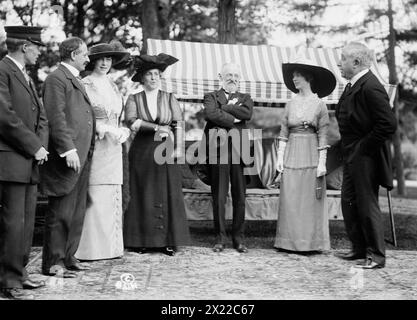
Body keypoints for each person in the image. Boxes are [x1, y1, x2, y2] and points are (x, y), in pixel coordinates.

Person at [335, 42, 397, 269]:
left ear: (356, 62)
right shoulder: (353, 84)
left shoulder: (371, 86)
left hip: (365, 156)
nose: (339, 63)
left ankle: (376, 256)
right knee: (349, 203)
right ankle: (359, 249)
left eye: (342, 59)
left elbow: (388, 124)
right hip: (352, 155)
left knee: (366, 204)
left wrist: (363, 148)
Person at [123, 53, 190, 256]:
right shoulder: (134, 98)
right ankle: (142, 240)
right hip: (142, 151)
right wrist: (156, 129)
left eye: (156, 74)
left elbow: (178, 123)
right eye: (149, 74)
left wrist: (179, 148)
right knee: (143, 192)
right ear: (142, 78)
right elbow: (131, 121)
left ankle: (168, 241)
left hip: (166, 150)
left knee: (167, 192)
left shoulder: (169, 98)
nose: (153, 78)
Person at [0, 26, 49, 299]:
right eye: (37, 47)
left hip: (28, 159)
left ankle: (19, 273)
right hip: (11, 159)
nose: (39, 52)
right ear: (25, 46)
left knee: (26, 221)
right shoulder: (3, 70)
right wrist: (34, 146)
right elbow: (4, 117)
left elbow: (40, 116)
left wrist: (39, 147)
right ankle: (9, 281)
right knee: (13, 223)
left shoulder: (25, 75)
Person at [40, 37, 95, 277]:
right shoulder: (56, 78)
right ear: (73, 54)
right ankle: (54, 262)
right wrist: (68, 149)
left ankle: (69, 257)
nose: (88, 59)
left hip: (82, 155)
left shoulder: (73, 79)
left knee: (76, 211)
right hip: (69, 156)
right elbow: (55, 117)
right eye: (84, 54)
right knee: (61, 210)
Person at [74, 42, 130, 261]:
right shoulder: (85, 84)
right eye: (101, 59)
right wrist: (103, 127)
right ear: (93, 61)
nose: (106, 63)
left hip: (114, 147)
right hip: (94, 144)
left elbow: (117, 114)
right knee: (95, 193)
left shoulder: (112, 84)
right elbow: (81, 117)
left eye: (109, 59)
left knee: (111, 193)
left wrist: (121, 129)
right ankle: (89, 249)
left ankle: (111, 248)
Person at [274, 57, 336, 253]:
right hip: (292, 153)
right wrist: (279, 158)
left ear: (308, 77)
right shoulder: (290, 104)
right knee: (291, 197)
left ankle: (311, 243)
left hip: (311, 154)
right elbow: (283, 132)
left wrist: (322, 163)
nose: (294, 79)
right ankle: (287, 242)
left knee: (309, 199)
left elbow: (323, 135)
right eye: (293, 76)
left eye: (297, 75)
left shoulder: (320, 105)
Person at [203, 62, 254, 253]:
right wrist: (234, 116)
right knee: (219, 196)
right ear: (220, 77)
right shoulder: (210, 97)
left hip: (239, 151)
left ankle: (238, 239)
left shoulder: (245, 97)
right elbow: (210, 113)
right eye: (229, 75)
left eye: (236, 75)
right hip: (218, 150)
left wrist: (224, 109)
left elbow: (247, 113)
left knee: (240, 197)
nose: (233, 78)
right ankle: (220, 239)